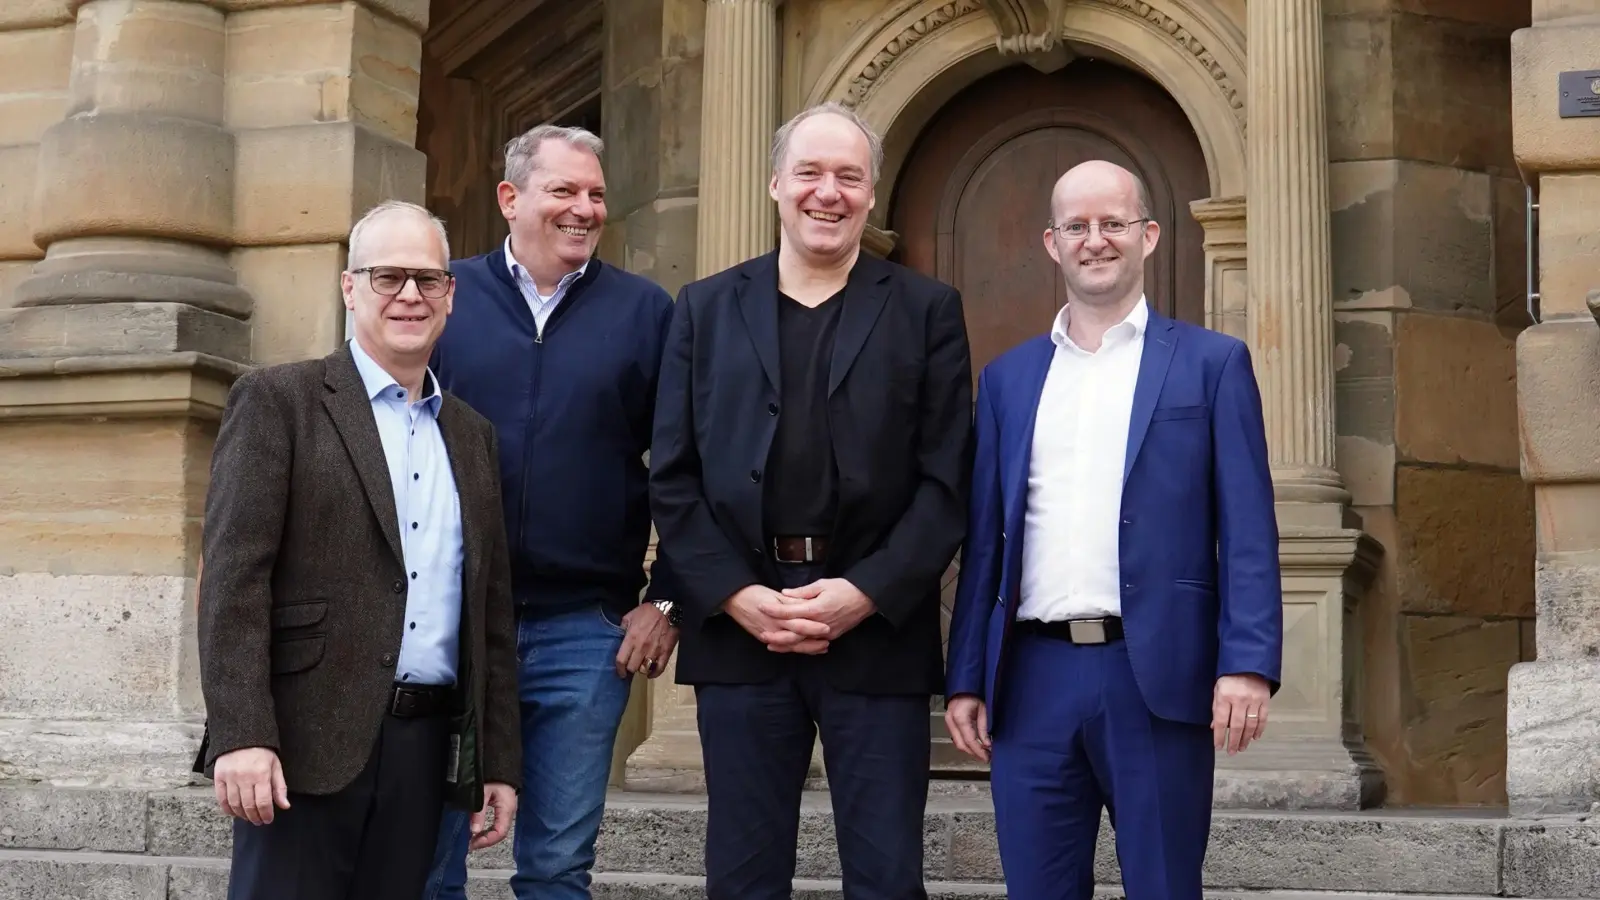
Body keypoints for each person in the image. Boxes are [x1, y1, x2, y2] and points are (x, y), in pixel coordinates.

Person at [649, 101, 974, 900]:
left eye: (848, 177)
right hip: (739, 630)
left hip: (876, 631)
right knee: (743, 876)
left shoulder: (927, 311)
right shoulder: (703, 308)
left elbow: (947, 482)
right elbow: (673, 476)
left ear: (870, 193)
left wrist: (866, 593)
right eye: (810, 173)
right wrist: (735, 594)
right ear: (774, 184)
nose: (827, 193)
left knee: (888, 877)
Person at [942, 159, 1284, 899]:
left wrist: (1248, 660)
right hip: (1031, 679)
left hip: (1156, 674)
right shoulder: (1007, 381)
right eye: (1078, 226)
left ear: (1149, 236)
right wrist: (967, 673)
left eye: (1113, 223)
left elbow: (1249, 527)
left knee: (1163, 886)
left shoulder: (1212, 364)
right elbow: (988, 542)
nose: (1096, 240)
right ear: (1051, 243)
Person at [194, 200, 521, 899]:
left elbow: (489, 610)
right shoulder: (278, 401)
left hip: (422, 750)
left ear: (450, 295)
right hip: (301, 746)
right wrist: (242, 733)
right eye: (388, 276)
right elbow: (232, 582)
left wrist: (496, 762)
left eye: (428, 279)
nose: (410, 295)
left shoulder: (472, 436)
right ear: (350, 287)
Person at [422, 123, 681, 900]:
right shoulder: (443, 299)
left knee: (558, 868)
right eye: (564, 190)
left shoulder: (645, 313)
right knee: (431, 865)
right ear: (510, 198)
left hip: (585, 632)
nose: (584, 208)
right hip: (452, 626)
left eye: (596, 194)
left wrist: (666, 596)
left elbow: (684, 466)